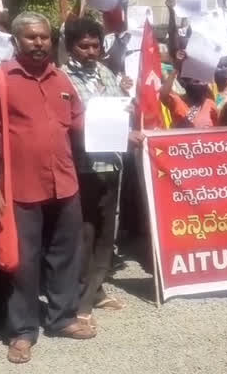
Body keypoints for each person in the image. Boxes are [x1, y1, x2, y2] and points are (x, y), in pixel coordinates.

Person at [0, 12, 96, 364]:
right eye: (31, 37)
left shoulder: (62, 79)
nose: (39, 43)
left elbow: (80, 123)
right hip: (19, 187)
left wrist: (121, 121)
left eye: (44, 37)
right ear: (15, 41)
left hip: (64, 182)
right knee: (22, 263)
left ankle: (62, 318)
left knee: (65, 255)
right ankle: (22, 331)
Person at [61, 18, 137, 330]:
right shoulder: (62, 79)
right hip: (82, 166)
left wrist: (125, 105)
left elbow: (117, 112)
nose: (91, 51)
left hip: (111, 163)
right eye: (84, 46)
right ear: (70, 47)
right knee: (84, 233)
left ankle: (98, 288)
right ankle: (82, 299)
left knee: (107, 233)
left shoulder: (106, 72)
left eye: (96, 45)